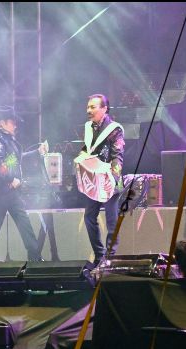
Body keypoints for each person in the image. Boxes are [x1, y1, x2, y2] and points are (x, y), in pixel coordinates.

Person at [0, 106, 47, 262]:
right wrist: (10, 179)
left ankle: (34, 257)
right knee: (4, 224)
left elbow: (17, 159)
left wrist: (37, 152)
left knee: (17, 223)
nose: (15, 125)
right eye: (12, 122)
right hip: (3, 191)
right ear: (2, 123)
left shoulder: (8, 140)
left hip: (10, 192)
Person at [79, 94, 125, 267]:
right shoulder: (88, 127)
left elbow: (117, 156)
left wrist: (112, 178)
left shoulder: (114, 129)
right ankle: (100, 256)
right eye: (88, 107)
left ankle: (110, 259)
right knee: (89, 217)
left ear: (104, 109)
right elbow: (88, 149)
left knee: (112, 221)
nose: (88, 110)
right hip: (94, 180)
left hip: (109, 179)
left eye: (93, 107)